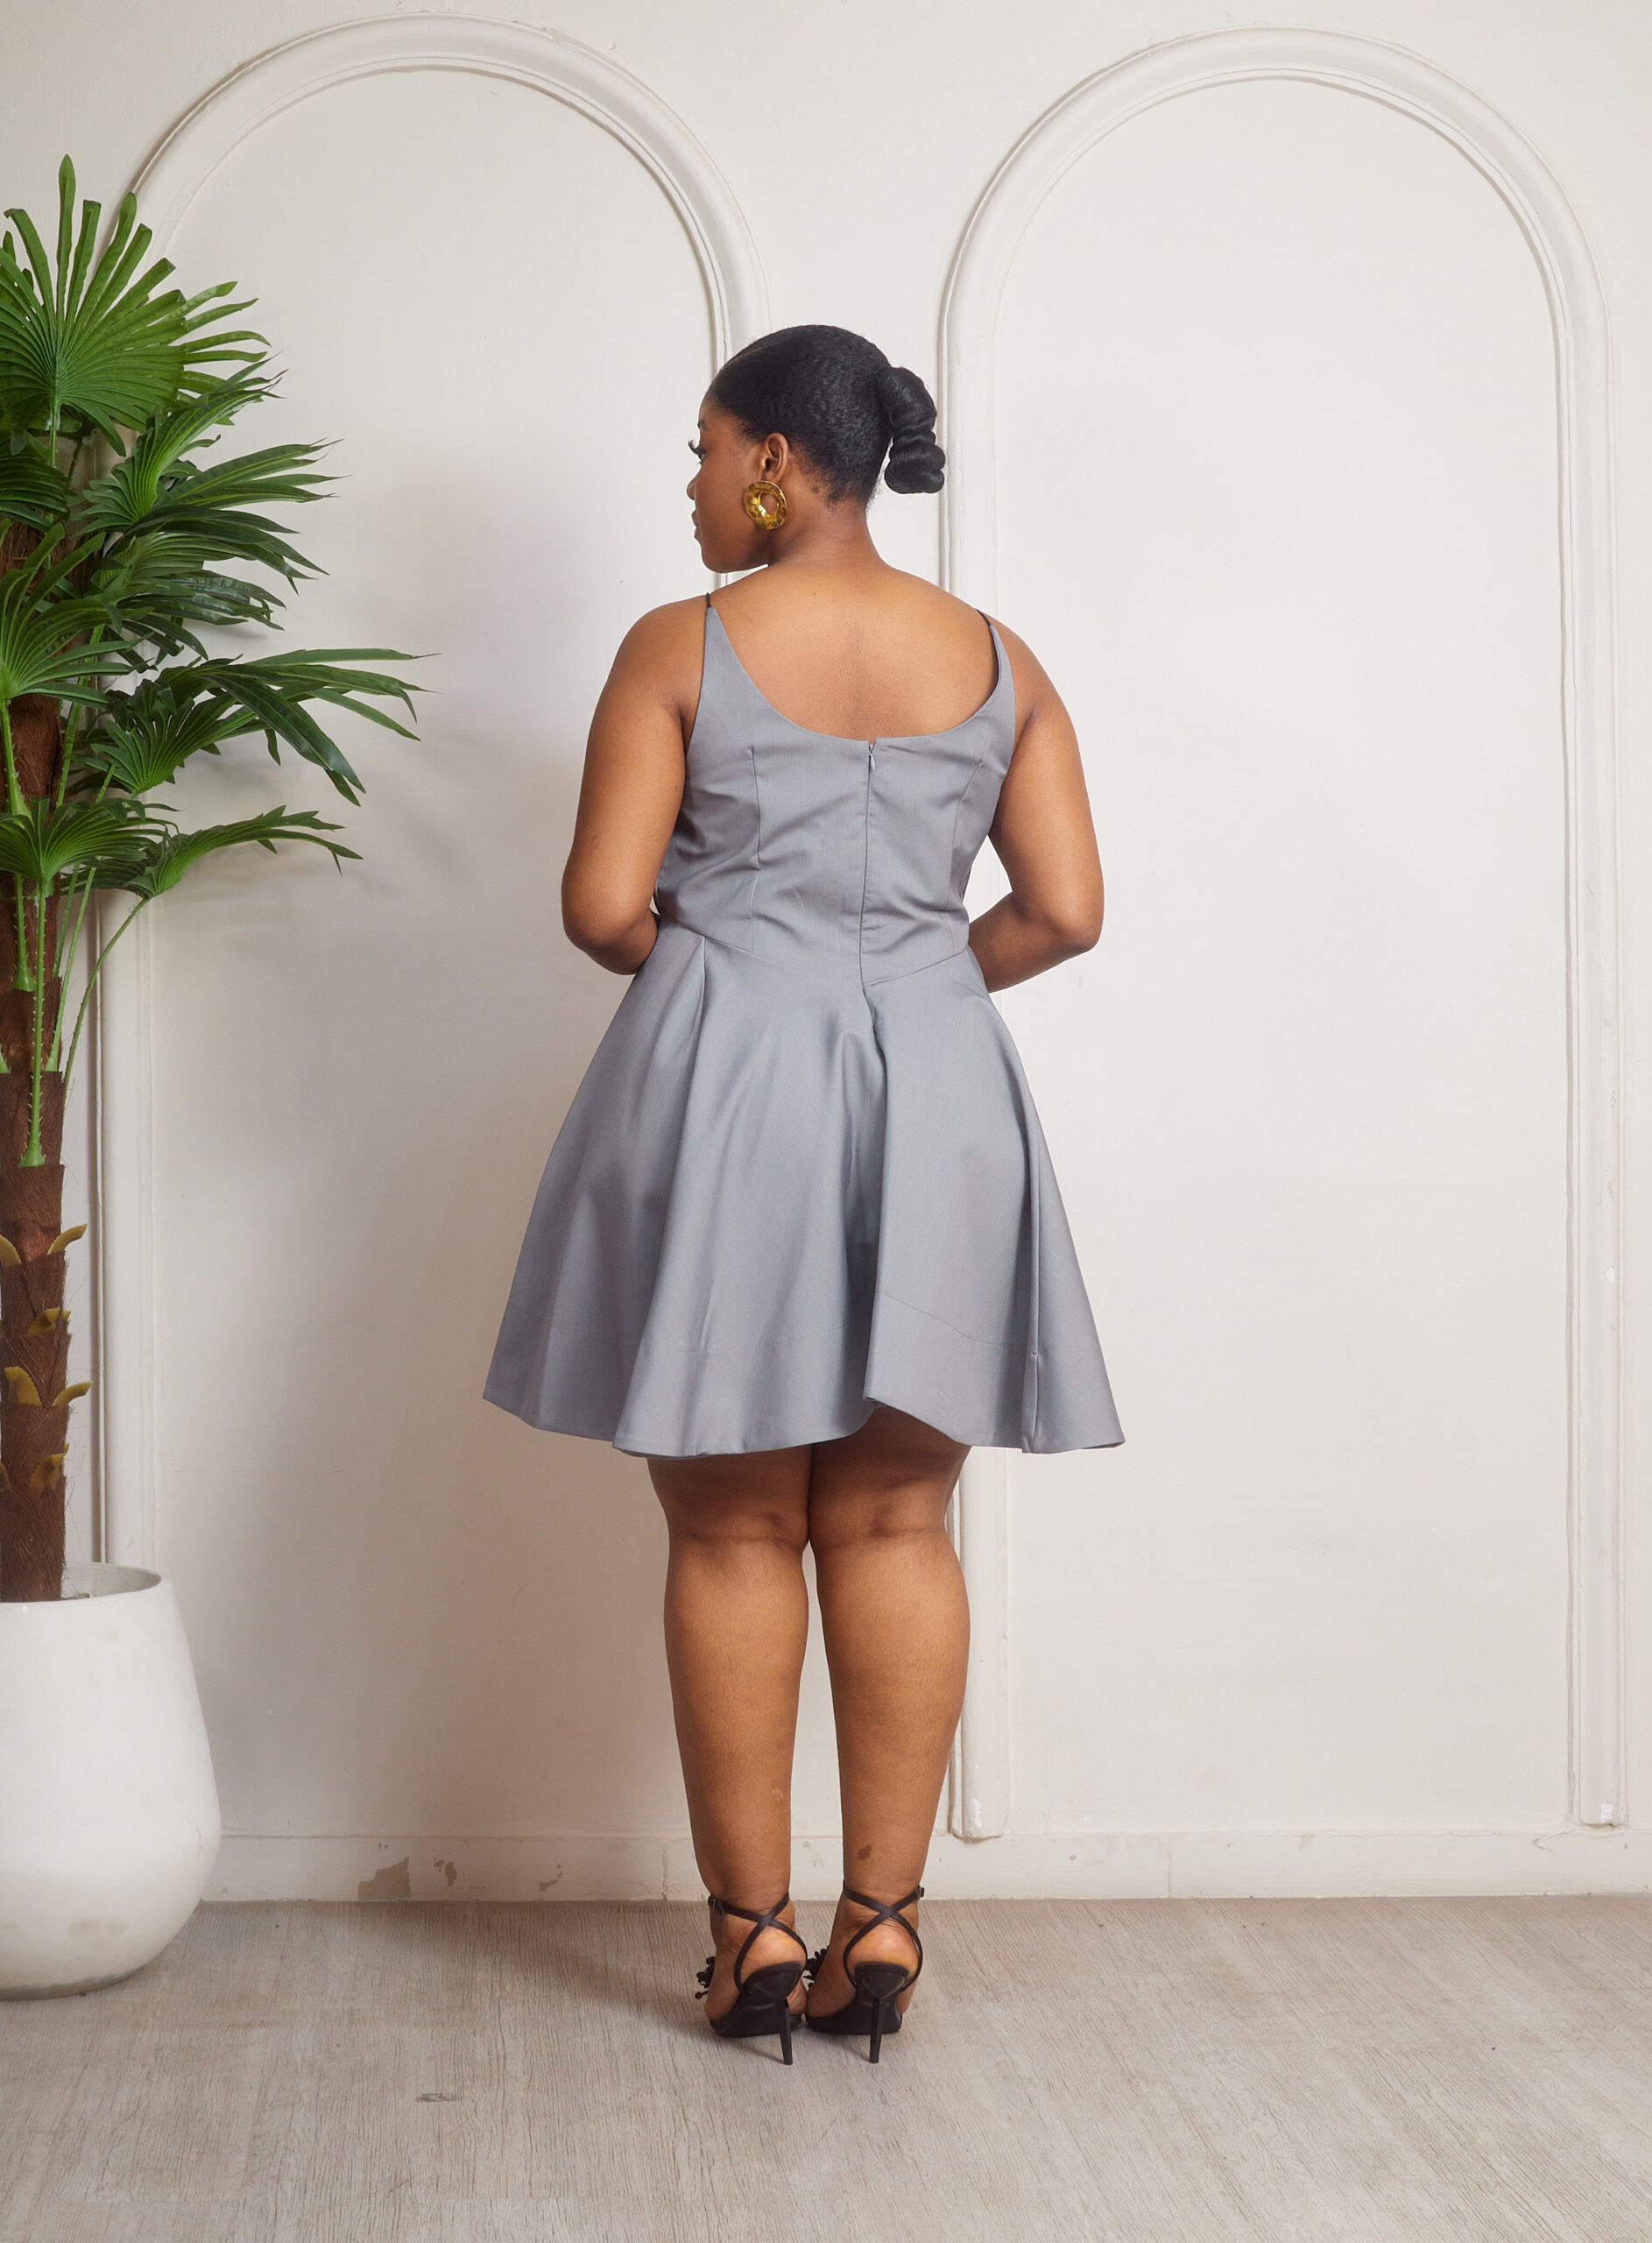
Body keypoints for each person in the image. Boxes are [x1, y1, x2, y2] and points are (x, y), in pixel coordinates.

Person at [484, 324, 1122, 2063]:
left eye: (703, 450)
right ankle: (884, 1926)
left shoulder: (680, 645)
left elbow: (602, 907)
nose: (691, 485)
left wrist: (740, 974)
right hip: (943, 1087)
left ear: (774, 461)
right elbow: (1064, 910)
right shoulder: (997, 658)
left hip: (728, 1089)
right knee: (900, 1520)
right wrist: (910, 984)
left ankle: (751, 1939)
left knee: (732, 1523)